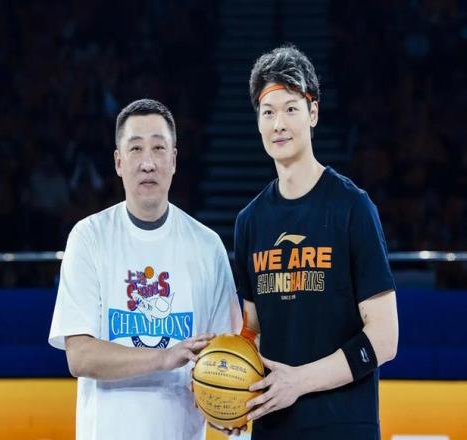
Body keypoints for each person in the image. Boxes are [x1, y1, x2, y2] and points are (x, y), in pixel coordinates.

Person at [49, 98, 242, 440]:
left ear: (174, 159)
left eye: (158, 148)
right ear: (118, 162)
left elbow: (225, 359)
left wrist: (226, 407)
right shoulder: (89, 237)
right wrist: (164, 357)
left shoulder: (207, 246)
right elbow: (80, 356)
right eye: (136, 148)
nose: (148, 163)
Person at [233, 45, 399, 439]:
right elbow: (252, 330)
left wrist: (298, 382)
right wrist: (229, 388)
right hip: (273, 425)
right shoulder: (249, 222)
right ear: (258, 122)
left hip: (344, 424)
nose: (278, 124)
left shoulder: (352, 207)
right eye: (268, 112)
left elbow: (384, 337)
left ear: (313, 113)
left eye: (291, 109)